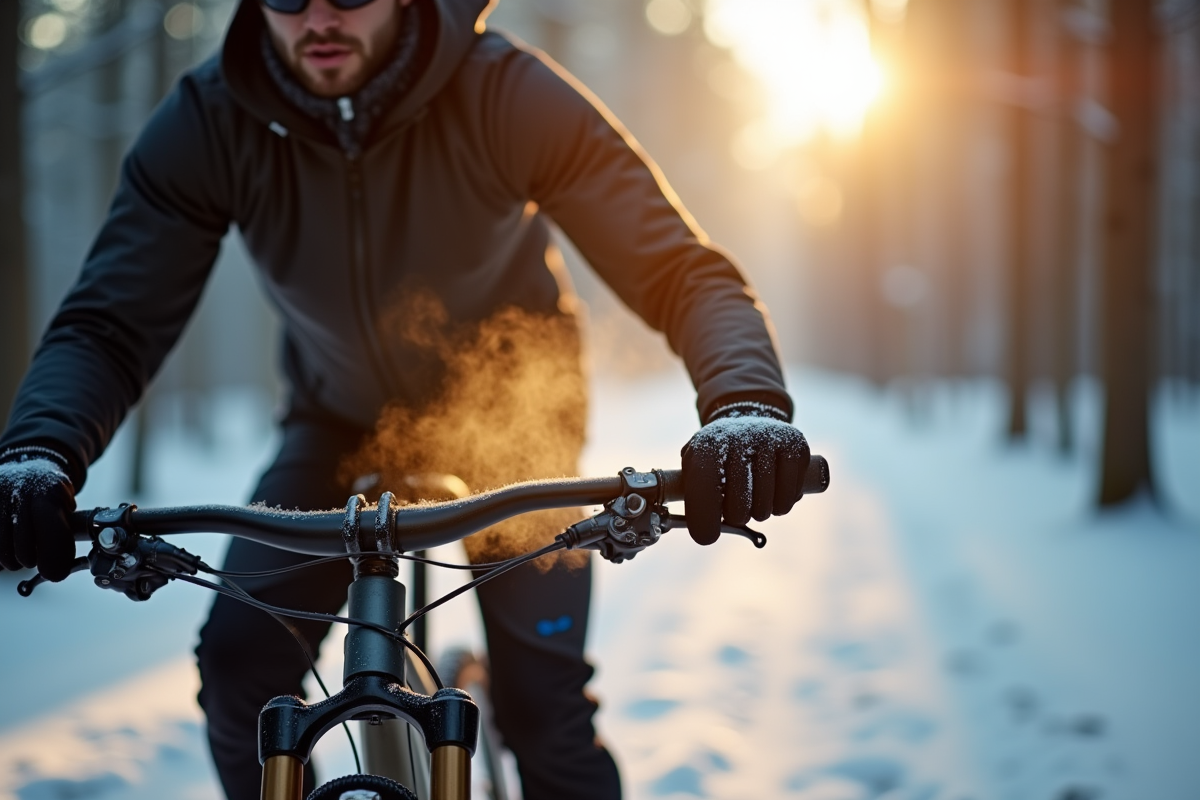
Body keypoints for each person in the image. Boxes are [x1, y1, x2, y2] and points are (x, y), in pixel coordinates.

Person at [0, 0, 810, 798]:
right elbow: (112, 323)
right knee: (240, 669)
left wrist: (745, 405)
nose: (318, 17)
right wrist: (39, 450)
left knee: (545, 711)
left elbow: (679, 271)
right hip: (338, 423)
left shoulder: (506, 93)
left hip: (510, 424)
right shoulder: (211, 120)